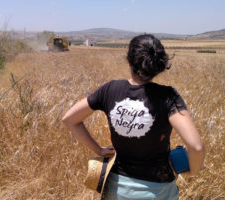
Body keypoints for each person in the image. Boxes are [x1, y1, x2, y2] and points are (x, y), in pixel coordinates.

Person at [62, 34, 205, 200]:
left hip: (116, 190)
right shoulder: (168, 96)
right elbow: (196, 147)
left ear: (129, 61)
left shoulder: (110, 89)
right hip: (159, 192)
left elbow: (69, 119)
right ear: (157, 65)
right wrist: (192, 171)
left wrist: (99, 150)